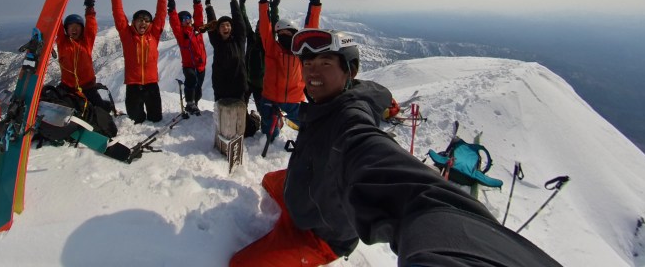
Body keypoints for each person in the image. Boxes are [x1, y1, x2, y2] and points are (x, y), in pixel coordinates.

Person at [230, 29, 561, 267]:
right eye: (308, 65)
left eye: (325, 64)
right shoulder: (332, 100)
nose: (312, 73)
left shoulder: (348, 117)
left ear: (349, 71)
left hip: (321, 233)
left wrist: (451, 232)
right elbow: (378, 92)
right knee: (271, 180)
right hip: (305, 194)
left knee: (239, 265)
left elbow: (375, 159)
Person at [255, 0, 320, 140]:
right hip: (270, 98)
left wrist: (314, 6)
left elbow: (311, 29)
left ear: (294, 34)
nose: (284, 35)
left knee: (309, 129)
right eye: (281, 33)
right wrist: (263, 4)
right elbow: (265, 27)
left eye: (288, 33)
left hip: (294, 99)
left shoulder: (301, 51)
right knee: (269, 134)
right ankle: (274, 128)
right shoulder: (271, 47)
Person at [110, 0, 168, 124]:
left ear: (150, 24)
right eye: (140, 19)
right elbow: (118, 14)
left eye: (146, 20)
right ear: (134, 22)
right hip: (133, 85)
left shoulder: (153, 34)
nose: (143, 22)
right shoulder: (127, 35)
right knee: (135, 121)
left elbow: (161, 14)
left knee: (156, 119)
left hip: (151, 85)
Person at [54, 0, 112, 112]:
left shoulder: (86, 42)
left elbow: (91, 27)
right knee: (55, 106)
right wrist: (57, 3)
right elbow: (57, 23)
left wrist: (89, 5)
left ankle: (105, 106)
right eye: (71, 26)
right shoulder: (62, 42)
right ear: (66, 30)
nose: (74, 29)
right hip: (67, 87)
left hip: (88, 87)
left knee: (101, 111)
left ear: (82, 29)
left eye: (77, 26)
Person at [203, 0, 249, 104]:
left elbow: (239, 20)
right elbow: (212, 24)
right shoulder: (217, 42)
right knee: (221, 114)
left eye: (228, 25)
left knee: (240, 114)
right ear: (218, 30)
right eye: (222, 26)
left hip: (239, 87)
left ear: (232, 28)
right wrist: (208, 6)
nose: (225, 27)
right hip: (221, 88)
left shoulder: (239, 41)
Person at [167, 0, 207, 115]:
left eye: (188, 18)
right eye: (184, 19)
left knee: (198, 88)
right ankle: (190, 104)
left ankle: (195, 103)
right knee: (191, 79)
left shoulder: (197, 30)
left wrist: (197, 0)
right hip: (189, 66)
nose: (187, 20)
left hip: (201, 66)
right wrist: (172, 6)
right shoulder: (181, 34)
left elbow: (199, 16)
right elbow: (174, 22)